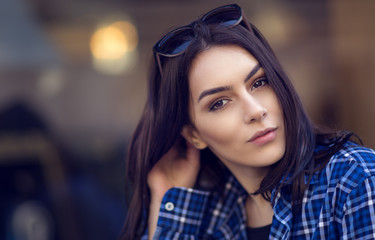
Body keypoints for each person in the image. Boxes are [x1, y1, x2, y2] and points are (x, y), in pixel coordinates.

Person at [121, 4, 375, 240]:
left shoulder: (354, 181)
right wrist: (164, 196)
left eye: (259, 82)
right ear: (193, 134)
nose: (255, 110)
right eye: (219, 103)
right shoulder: (213, 217)